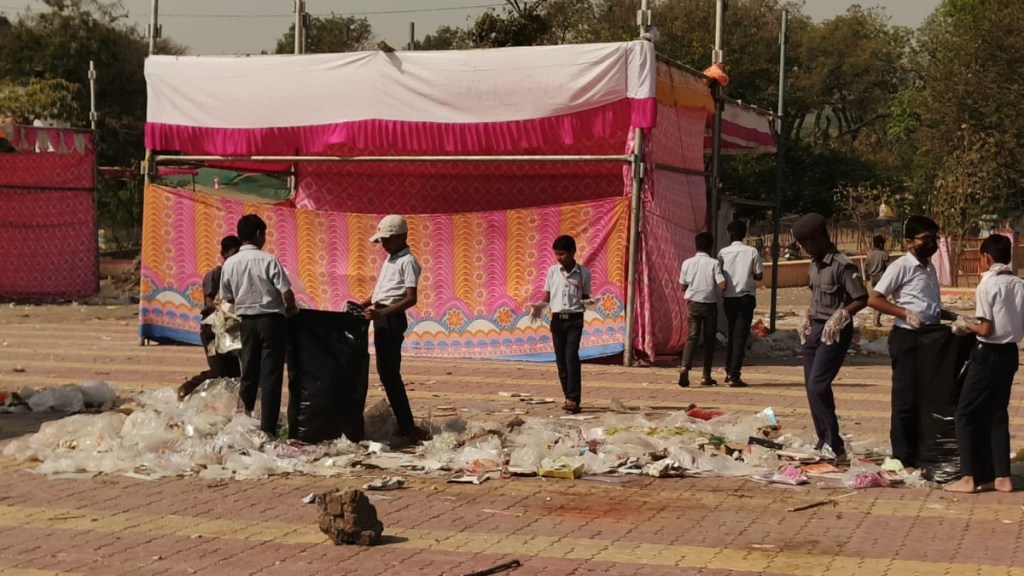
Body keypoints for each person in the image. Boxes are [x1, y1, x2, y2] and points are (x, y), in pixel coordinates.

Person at [867, 215, 958, 471]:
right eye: (926, 239)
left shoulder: (929, 267)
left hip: (931, 337)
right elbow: (874, 299)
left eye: (935, 239)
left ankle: (922, 453)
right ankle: (902, 457)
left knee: (927, 398)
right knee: (905, 400)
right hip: (907, 337)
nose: (932, 244)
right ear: (910, 242)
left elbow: (928, 306)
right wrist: (904, 313)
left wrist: (954, 317)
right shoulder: (901, 266)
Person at [944, 234, 1024, 493]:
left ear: (986, 258)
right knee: (997, 413)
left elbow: (987, 329)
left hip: (988, 353)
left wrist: (966, 324)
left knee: (964, 413)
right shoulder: (1019, 284)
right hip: (1010, 353)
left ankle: (968, 477)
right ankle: (1002, 476)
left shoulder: (988, 286)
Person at [794, 213, 867, 461]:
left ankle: (835, 445)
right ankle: (822, 439)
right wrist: (807, 314)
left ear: (820, 238)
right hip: (815, 329)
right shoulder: (814, 264)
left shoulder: (841, 265)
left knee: (818, 384)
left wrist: (842, 314)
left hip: (835, 331)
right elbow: (816, 295)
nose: (804, 248)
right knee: (811, 388)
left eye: (806, 243)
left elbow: (861, 297)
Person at [219, 214, 297, 437]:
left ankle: (244, 423)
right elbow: (287, 293)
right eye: (264, 233)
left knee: (249, 373)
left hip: (247, 323)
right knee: (271, 375)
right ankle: (268, 428)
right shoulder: (268, 260)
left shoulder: (230, 263)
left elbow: (228, 297)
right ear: (258, 234)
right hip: (271, 322)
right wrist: (290, 311)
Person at [358, 214, 428, 441]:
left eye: (387, 240)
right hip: (380, 316)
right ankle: (405, 424)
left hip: (391, 318)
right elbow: (382, 290)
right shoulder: (390, 259)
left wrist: (382, 312)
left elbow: (410, 298)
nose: (384, 245)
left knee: (390, 375)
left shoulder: (408, 262)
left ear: (401, 237)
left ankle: (407, 426)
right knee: (386, 373)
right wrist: (364, 303)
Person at [531, 235, 592, 414]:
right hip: (557, 320)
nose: (559, 258)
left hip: (574, 319)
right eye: (556, 254)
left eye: (562, 254)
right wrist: (538, 308)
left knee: (571, 357)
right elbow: (547, 297)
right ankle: (567, 395)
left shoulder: (584, 273)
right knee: (561, 360)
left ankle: (573, 398)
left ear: (573, 252)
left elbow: (585, 297)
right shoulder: (552, 272)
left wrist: (591, 303)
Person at [178, 235, 242, 400]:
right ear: (224, 254)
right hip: (212, 331)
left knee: (234, 374)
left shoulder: (239, 275)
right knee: (218, 371)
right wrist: (229, 307)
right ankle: (188, 389)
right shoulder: (215, 276)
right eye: (233, 254)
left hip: (229, 331)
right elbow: (210, 303)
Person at [718, 220, 764, 387]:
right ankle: (734, 375)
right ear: (744, 235)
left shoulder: (723, 252)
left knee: (731, 333)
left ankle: (729, 369)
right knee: (740, 336)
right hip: (745, 297)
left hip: (729, 298)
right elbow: (759, 276)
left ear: (729, 235)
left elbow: (719, 273)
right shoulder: (752, 251)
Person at [678, 232, 726, 388]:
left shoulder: (687, 263)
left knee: (692, 337)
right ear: (711, 246)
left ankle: (685, 366)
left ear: (696, 245)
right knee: (709, 339)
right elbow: (722, 285)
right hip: (709, 304)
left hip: (693, 303)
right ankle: (706, 375)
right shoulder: (714, 263)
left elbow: (682, 286)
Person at [864, 234, 891, 327]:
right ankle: (876, 320)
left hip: (872, 279)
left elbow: (865, 267)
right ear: (880, 244)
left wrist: (867, 278)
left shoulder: (870, 254)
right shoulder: (884, 254)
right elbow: (889, 268)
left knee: (875, 299)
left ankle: (875, 319)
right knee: (880, 300)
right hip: (881, 278)